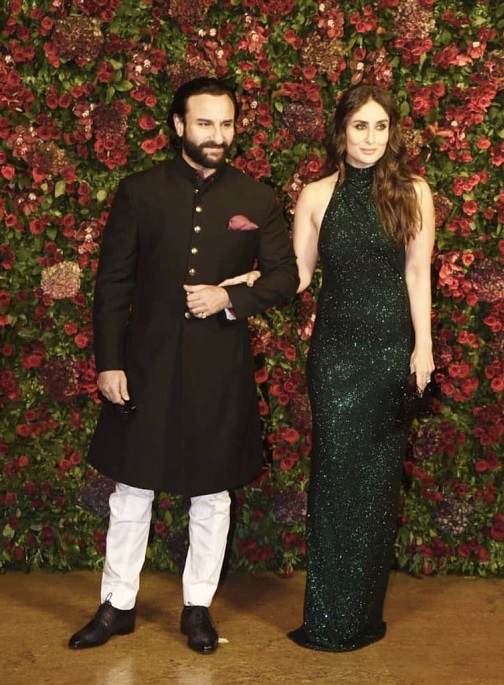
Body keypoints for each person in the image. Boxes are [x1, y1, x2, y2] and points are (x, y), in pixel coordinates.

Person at [68, 77, 298, 654]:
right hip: (145, 364)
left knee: (212, 495)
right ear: (178, 125)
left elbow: (285, 276)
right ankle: (117, 604)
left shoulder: (257, 198)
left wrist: (229, 298)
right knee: (131, 489)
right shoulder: (139, 192)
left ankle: (198, 607)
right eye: (204, 123)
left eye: (226, 124)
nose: (217, 135)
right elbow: (112, 284)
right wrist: (109, 362)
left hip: (219, 367)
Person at [288, 84, 435, 651]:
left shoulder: (413, 192)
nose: (370, 138)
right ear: (341, 131)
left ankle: (360, 617)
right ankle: (327, 618)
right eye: (359, 126)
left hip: (390, 353)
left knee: (375, 487)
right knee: (333, 480)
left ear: (390, 133)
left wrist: (423, 347)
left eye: (380, 126)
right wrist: (247, 282)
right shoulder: (315, 195)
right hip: (334, 358)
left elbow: (417, 274)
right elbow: (300, 275)